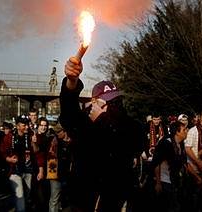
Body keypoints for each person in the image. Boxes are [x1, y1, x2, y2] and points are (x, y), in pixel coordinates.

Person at [59, 56, 146, 211]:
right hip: (84, 198)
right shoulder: (84, 122)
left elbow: (133, 142)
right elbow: (68, 114)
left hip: (114, 198)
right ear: (94, 102)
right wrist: (71, 83)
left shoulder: (128, 124)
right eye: (106, 103)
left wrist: (102, 120)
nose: (112, 107)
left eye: (115, 102)